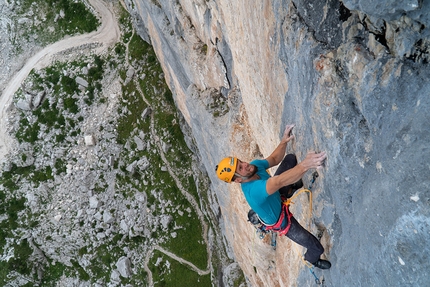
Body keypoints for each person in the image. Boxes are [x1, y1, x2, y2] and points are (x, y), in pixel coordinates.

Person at [215, 124, 331, 269]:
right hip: (282, 221)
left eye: (240, 162)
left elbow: (275, 158)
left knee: (289, 159)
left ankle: (290, 189)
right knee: (316, 247)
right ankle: (312, 260)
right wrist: (306, 165)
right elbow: (279, 181)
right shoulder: (253, 190)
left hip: (275, 195)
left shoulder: (253, 166)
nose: (245, 164)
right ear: (238, 180)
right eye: (240, 168)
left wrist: (283, 142)